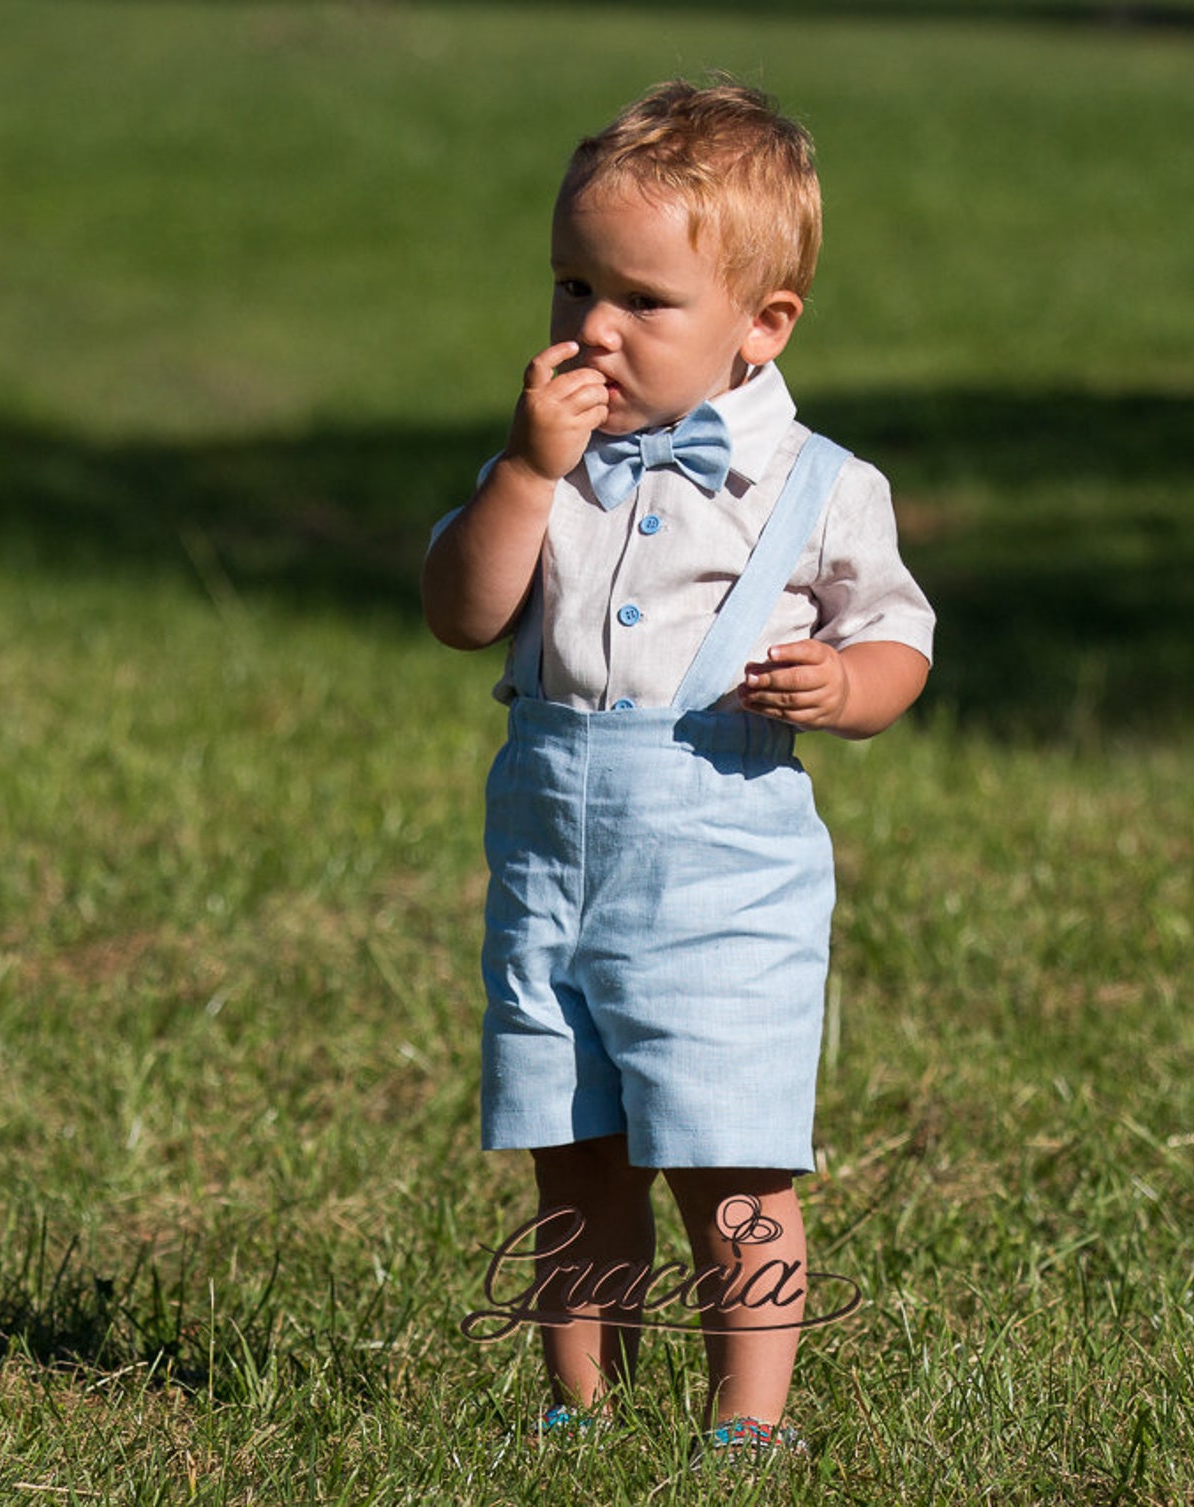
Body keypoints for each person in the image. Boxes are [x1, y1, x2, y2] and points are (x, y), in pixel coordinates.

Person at [422, 77, 935, 1457]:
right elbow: (463, 611)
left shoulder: (822, 485)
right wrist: (525, 478)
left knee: (733, 1163)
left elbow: (898, 640)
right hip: (552, 860)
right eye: (572, 284)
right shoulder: (545, 467)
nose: (592, 325)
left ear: (760, 330)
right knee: (574, 1155)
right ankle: (577, 1410)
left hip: (721, 863)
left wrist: (846, 687)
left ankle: (746, 1425)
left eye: (642, 301)